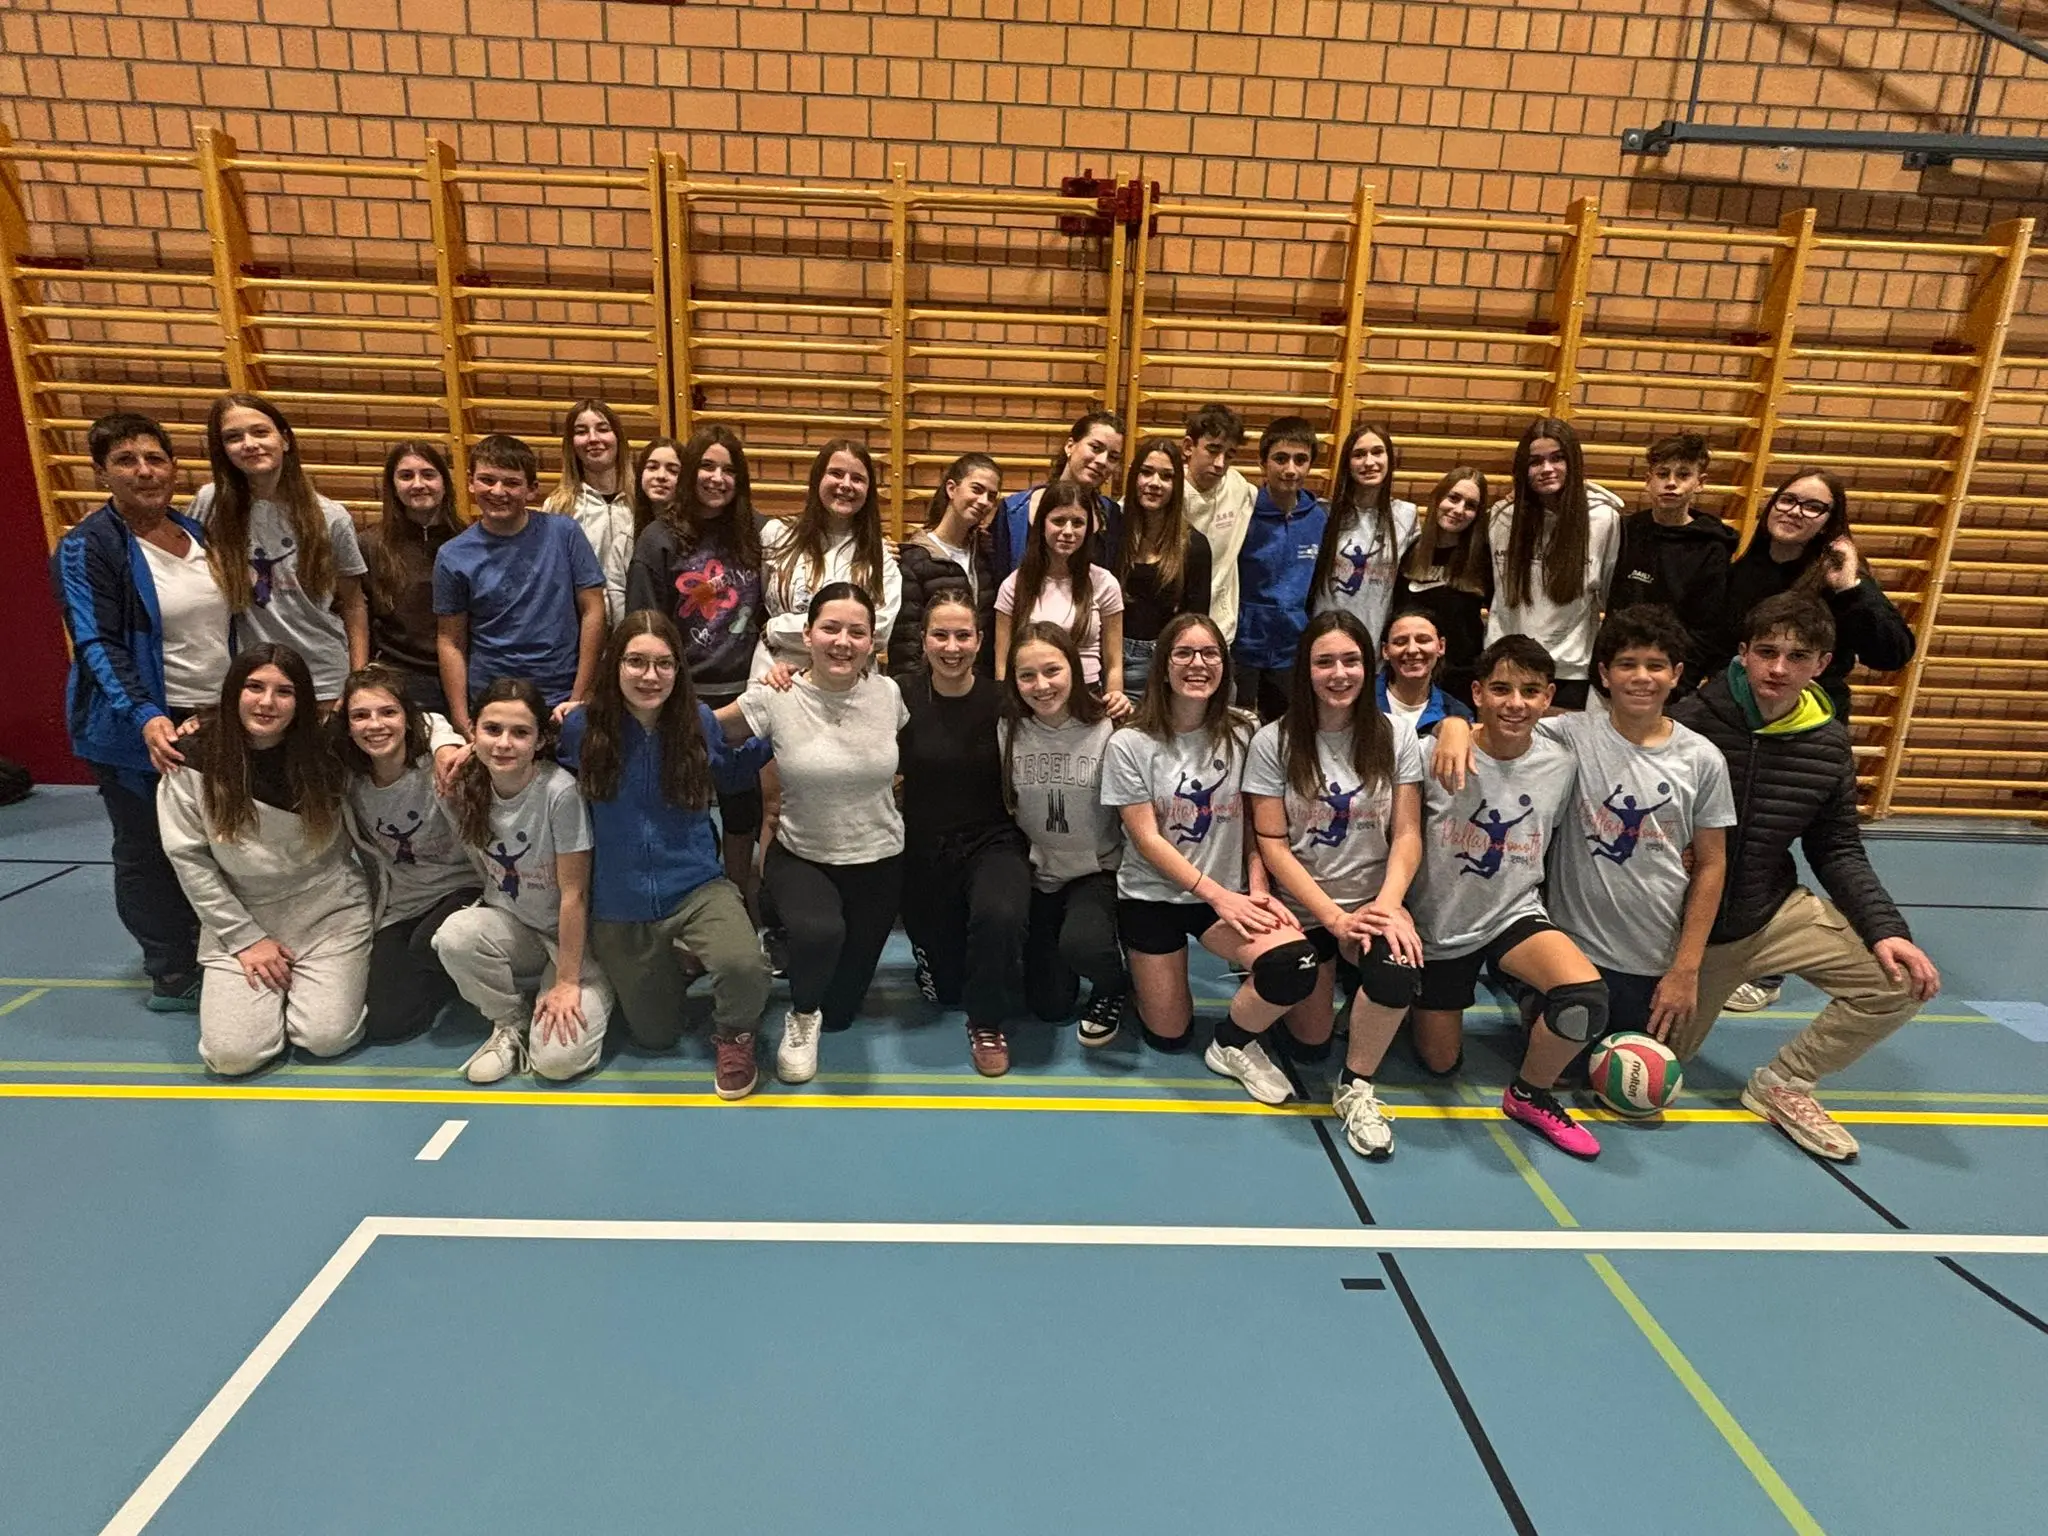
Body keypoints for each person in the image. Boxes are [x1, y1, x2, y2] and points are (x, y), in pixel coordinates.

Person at [1668, 593, 1939, 1160]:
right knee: (1652, 1072)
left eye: (1797, 656)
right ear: (1743, 653)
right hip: (1685, 932)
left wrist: (1886, 929)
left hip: (1769, 913)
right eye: (1766, 652)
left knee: (1897, 982)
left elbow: (1836, 846)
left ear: (1822, 664)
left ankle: (1785, 1083)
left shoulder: (1828, 741)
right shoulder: (1689, 723)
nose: (1778, 668)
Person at [1443, 608, 1736, 1048]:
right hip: (1576, 947)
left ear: (1676, 674)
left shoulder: (1703, 759)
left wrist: (1686, 969)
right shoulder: (1571, 735)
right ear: (1604, 674)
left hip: (1651, 958)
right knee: (1565, 1062)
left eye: (1655, 666)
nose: (1641, 677)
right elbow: (1502, 724)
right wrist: (1453, 724)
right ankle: (1524, 988)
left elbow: (1712, 864)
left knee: (1638, 1076)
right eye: (1627, 664)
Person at [51, 412, 229, 1012]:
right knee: (149, 848)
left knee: (212, 841)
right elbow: (95, 641)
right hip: (137, 725)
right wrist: (146, 714)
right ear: (102, 473)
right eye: (126, 461)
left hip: (214, 714)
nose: (144, 471)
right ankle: (171, 969)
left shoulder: (197, 534)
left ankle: (215, 948)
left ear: (174, 467)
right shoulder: (87, 546)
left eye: (155, 458)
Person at [1719, 469, 1914, 1014]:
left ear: (1831, 521)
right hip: (1740, 724)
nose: (1795, 512)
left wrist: (1852, 586)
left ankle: (1767, 966)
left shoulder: (1837, 576)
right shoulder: (1745, 569)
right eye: (1789, 500)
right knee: (1732, 839)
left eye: (1813, 507)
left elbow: (1893, 652)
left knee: (1781, 839)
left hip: (1803, 733)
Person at [1102, 612, 1316, 1105]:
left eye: (1209, 653)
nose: (1197, 664)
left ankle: (1231, 1043)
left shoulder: (1245, 732)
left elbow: (1254, 823)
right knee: (1169, 1036)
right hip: (1152, 897)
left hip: (1223, 899)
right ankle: (1140, 976)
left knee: (1295, 964)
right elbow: (1147, 840)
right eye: (1183, 653)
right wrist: (1220, 896)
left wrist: (1257, 890)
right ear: (1163, 666)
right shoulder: (1129, 742)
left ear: (1224, 665)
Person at [560, 613, 774, 1100]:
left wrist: (783, 724)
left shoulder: (697, 721)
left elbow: (731, 772)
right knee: (656, 1036)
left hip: (696, 885)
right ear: (615, 665)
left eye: (663, 664)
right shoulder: (580, 727)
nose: (650, 676)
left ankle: (735, 1036)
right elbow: (537, 771)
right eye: (636, 662)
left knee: (744, 967)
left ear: (678, 669)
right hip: (619, 902)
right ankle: (675, 959)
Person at [1406, 636, 1606, 1158]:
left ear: (1548, 698)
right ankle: (1413, 998)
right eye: (1501, 689)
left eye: (1530, 691)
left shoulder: (1561, 764)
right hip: (1440, 926)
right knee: (1441, 1064)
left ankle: (1529, 1094)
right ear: (1476, 693)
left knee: (1585, 1001)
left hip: (1512, 913)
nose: (1515, 703)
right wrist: (1449, 724)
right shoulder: (1431, 753)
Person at [1244, 611, 1425, 1158]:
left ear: (1369, 666)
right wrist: (1333, 918)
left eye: (1351, 660)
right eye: (1325, 662)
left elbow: (1407, 833)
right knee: (1310, 1042)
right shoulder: (1274, 740)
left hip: (1372, 900)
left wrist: (1387, 907)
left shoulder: (1396, 734)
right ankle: (1326, 986)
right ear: (1306, 670)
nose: (1339, 673)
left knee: (1397, 968)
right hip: (1305, 909)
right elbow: (1272, 842)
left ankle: (1357, 1086)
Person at [713, 584, 906, 1084]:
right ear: (808, 635)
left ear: (872, 642)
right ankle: (801, 1016)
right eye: (830, 628)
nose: (843, 641)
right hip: (802, 855)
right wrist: (605, 711)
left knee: (840, 1012)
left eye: (857, 632)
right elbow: (707, 729)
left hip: (879, 860)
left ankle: (820, 1003)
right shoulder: (776, 695)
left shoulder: (889, 695)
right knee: (821, 934)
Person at [156, 644, 372, 1076]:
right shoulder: (191, 758)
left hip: (329, 913)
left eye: (284, 692)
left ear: (302, 700)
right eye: (254, 687)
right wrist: (245, 940)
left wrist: (446, 746)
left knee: (325, 1038)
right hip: (241, 917)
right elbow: (189, 859)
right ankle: (269, 997)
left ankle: (311, 990)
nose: (267, 702)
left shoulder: (329, 751)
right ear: (233, 691)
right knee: (232, 1057)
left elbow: (411, 725)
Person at [432, 678, 612, 1084]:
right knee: (455, 936)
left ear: (540, 739)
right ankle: (510, 1023)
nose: (503, 743)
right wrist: (447, 745)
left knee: (558, 1063)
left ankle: (588, 991)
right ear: (472, 731)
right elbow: (422, 727)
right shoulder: (466, 784)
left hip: (575, 942)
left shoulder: (559, 792)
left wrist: (567, 982)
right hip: (517, 931)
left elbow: (575, 894)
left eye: (520, 733)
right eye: (492, 729)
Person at [625, 426, 768, 903]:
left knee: (742, 806)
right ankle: (694, 898)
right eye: (707, 466)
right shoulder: (659, 539)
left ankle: (739, 897)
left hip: (745, 693)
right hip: (683, 694)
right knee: (685, 804)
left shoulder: (757, 533)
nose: (717, 478)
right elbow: (644, 624)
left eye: (728, 470)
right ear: (690, 472)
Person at [895, 593, 1032, 1075]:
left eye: (963, 636)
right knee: (945, 993)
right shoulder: (898, 696)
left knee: (1000, 915)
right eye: (940, 635)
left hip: (992, 840)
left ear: (979, 641)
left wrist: (1112, 704)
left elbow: (1066, 711)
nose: (951, 647)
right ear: (923, 640)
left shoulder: (1005, 700)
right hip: (924, 848)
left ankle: (987, 1022)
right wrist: (786, 674)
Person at [335, 663, 480, 1045]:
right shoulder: (350, 782)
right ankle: (447, 979)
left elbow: (440, 725)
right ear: (347, 726)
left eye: (388, 712)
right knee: (388, 1024)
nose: (375, 725)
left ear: (407, 718)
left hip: (464, 888)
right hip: (405, 902)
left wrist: (444, 741)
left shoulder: (440, 765)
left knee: (430, 944)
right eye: (360, 716)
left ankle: (457, 967)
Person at [191, 393, 368, 704]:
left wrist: (357, 682)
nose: (249, 444)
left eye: (260, 432)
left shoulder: (331, 516)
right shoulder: (210, 504)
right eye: (233, 437)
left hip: (322, 677)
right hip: (249, 680)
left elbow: (354, 605)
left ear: (284, 440)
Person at [1001, 621, 1127, 1046]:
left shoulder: (1110, 726)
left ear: (1074, 667)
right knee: (1050, 1006)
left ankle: (1114, 983)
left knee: (1084, 945)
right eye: (1027, 675)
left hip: (1097, 871)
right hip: (1041, 875)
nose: (1041, 685)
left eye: (1052, 670)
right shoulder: (1008, 730)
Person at [433, 433, 606, 735]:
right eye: (487, 480)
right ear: (471, 482)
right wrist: (461, 719)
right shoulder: (452, 555)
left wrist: (580, 696)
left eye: (511, 482)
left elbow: (593, 610)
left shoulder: (564, 534)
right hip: (492, 702)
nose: (498, 491)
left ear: (532, 489)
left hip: (560, 697)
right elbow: (451, 640)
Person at [1484, 418, 1624, 710]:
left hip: (1569, 671)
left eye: (1557, 458)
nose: (1547, 469)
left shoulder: (1602, 519)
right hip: (1506, 666)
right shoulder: (1501, 517)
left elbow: (1610, 598)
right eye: (1535, 462)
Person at [756, 439, 901, 674]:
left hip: (848, 677)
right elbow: (757, 600)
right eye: (836, 473)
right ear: (818, 478)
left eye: (857, 478)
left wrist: (776, 629)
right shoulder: (777, 534)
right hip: (778, 674)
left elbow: (880, 631)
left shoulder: (879, 553)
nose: (846, 485)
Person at [1607, 432, 1733, 698]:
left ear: (1700, 483)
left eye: (1683, 475)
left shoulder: (1712, 547)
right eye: (1663, 474)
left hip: (1670, 681)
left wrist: (1680, 686)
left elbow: (1705, 629)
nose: (1671, 483)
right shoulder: (1626, 531)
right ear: (1648, 480)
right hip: (1616, 672)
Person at [993, 481, 1130, 714]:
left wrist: (1115, 697)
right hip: (1033, 701)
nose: (1068, 531)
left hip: (1088, 700)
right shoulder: (1013, 585)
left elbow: (1114, 662)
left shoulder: (1105, 583)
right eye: (1058, 521)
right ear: (1042, 525)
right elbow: (1002, 666)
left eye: (1078, 523)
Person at [1231, 416, 1328, 721]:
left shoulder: (1318, 518)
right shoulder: (1244, 512)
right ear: (1263, 463)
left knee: (1284, 728)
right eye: (1281, 459)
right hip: (1243, 645)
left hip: (1292, 648)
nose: (1291, 469)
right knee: (1238, 725)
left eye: (1301, 460)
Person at [360, 440, 461, 715]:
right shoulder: (370, 545)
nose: (418, 484)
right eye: (406, 476)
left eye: (428, 474)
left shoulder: (468, 542)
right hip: (397, 677)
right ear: (392, 486)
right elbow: (357, 618)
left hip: (462, 673)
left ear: (444, 481)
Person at [1113, 436, 1211, 702]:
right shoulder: (1113, 534)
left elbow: (1195, 623)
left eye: (1166, 476)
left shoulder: (1194, 545)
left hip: (1160, 662)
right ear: (1133, 477)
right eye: (1146, 472)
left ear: (1176, 486)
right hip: (1109, 658)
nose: (1155, 483)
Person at [893, 451, 1001, 676]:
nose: (984, 501)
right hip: (930, 687)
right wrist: (914, 690)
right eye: (977, 489)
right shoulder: (914, 559)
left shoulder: (986, 556)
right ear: (952, 489)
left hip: (977, 686)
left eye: (991, 496)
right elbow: (906, 645)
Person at [1390, 467, 1490, 705]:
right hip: (1409, 676)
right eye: (1453, 498)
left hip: (1459, 682)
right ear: (1437, 498)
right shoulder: (1410, 551)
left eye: (1470, 505)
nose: (1459, 510)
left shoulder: (1482, 560)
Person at [1312, 422, 1416, 645]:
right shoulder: (1324, 513)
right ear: (1347, 464)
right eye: (1359, 455)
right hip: (1327, 640)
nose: (1369, 462)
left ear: (1389, 458)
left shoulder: (1406, 515)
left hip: (1377, 642)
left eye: (1377, 452)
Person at [992, 409, 1125, 578]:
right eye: (1095, 448)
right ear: (1070, 446)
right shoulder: (1014, 510)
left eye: (1113, 457)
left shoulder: (1112, 515)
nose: (1102, 461)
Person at [544, 397, 635, 624]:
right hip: (581, 626)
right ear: (571, 443)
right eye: (581, 432)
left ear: (618, 438)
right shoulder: (558, 507)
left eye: (603, 429)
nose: (593, 439)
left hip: (635, 625)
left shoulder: (639, 502)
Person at [1179, 402, 1255, 644]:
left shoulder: (1238, 487)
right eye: (1212, 450)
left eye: (1229, 455)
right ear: (1188, 447)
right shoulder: (1165, 490)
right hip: (1171, 629)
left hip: (1221, 630)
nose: (1220, 463)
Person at [1378, 607, 1473, 737]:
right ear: (1385, 650)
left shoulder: (1457, 713)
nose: (1412, 650)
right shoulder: (1360, 700)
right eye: (1400, 642)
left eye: (1423, 640)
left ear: (1441, 646)